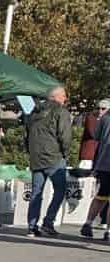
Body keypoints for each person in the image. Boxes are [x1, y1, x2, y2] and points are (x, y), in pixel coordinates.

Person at [25, 84, 73, 239]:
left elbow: (27, 135)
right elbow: (65, 136)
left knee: (36, 193)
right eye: (63, 95)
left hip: (36, 158)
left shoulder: (34, 112)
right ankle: (48, 222)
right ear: (55, 96)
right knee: (60, 190)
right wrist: (66, 153)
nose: (65, 98)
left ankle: (32, 227)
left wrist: (31, 152)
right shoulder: (61, 111)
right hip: (54, 157)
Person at [81, 98, 110, 243]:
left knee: (102, 195)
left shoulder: (105, 118)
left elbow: (96, 136)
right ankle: (108, 231)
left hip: (104, 163)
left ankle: (88, 222)